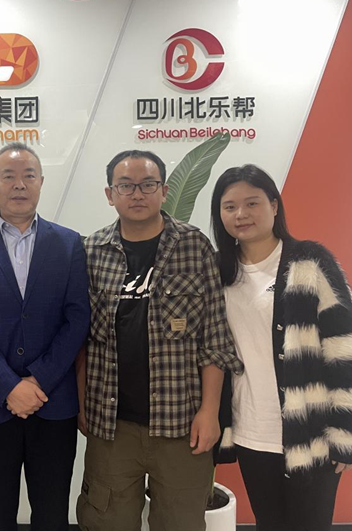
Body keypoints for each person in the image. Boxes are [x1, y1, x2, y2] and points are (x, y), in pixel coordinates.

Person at [77, 150, 242, 531]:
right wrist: (82, 404)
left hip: (182, 423)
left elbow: (214, 339)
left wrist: (210, 412)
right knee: (106, 522)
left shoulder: (194, 246)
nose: (137, 193)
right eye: (126, 186)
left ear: (164, 190)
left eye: (148, 184)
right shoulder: (91, 252)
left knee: (181, 523)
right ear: (110, 194)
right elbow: (81, 340)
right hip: (112, 425)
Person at [211, 164, 352, 531]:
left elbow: (345, 348)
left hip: (311, 430)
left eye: (252, 203)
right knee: (270, 524)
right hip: (252, 429)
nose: (241, 214)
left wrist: (349, 432)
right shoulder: (219, 271)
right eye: (229, 206)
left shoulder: (310, 262)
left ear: (274, 205)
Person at [0, 142, 90, 531]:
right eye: (8, 176)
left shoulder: (69, 243)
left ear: (41, 182)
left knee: (52, 515)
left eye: (28, 175)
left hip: (53, 404)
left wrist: (38, 380)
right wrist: (9, 386)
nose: (19, 184)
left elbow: (77, 318)